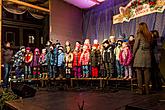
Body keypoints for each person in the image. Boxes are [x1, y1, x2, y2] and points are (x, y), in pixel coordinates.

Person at [133, 22, 152, 95]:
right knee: (147, 73)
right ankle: (147, 90)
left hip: (140, 54)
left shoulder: (139, 35)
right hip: (148, 55)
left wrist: (133, 54)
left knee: (139, 73)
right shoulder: (149, 35)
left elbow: (135, 46)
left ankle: (140, 90)